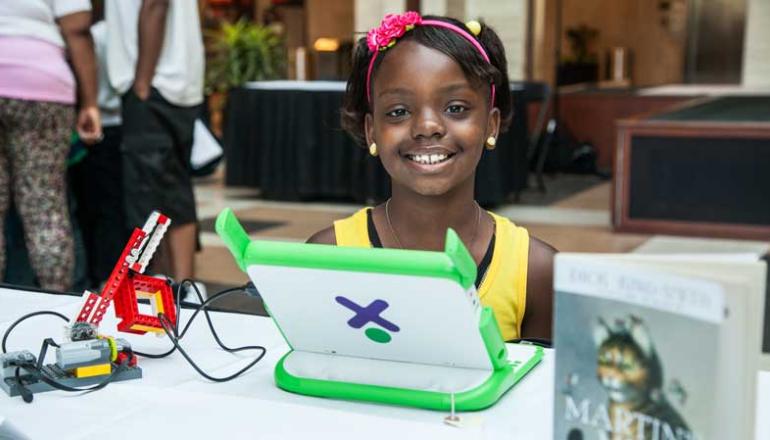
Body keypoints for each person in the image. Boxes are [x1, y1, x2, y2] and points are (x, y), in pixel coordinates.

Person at [308, 12, 555, 340]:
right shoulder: (329, 255)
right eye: (398, 111)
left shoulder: (535, 271)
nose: (427, 127)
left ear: (491, 125)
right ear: (371, 131)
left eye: (455, 108)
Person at [0, 0, 102, 291]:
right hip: (41, 82)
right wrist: (90, 102)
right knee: (44, 205)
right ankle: (54, 304)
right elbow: (78, 26)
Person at [105, 0, 203, 290]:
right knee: (174, 190)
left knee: (147, 196)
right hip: (174, 84)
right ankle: (182, 286)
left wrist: (142, 83)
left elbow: (154, 6)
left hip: (156, 84)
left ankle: (156, 286)